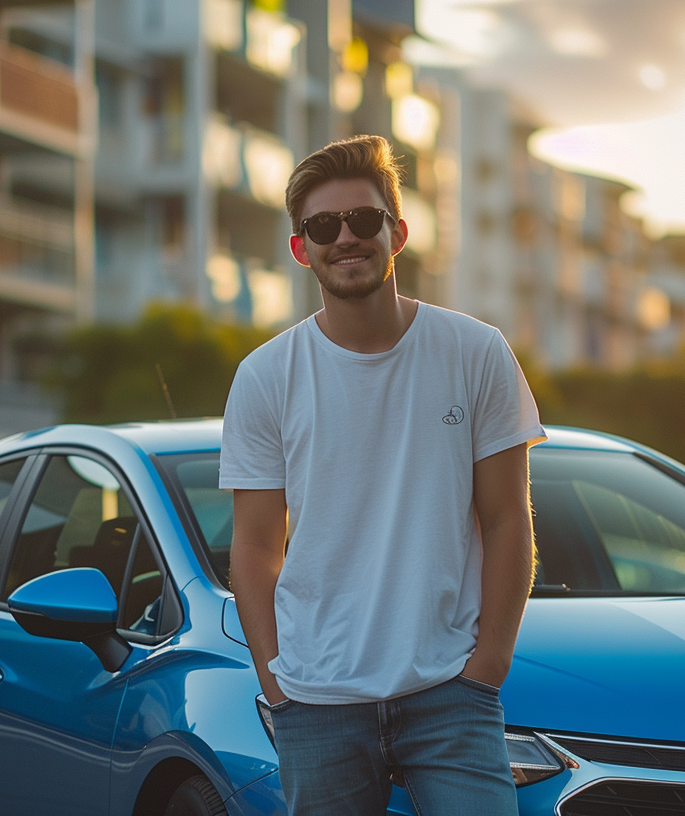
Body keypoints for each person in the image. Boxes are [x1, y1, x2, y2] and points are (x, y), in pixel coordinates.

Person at [220, 134, 545, 816]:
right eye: (323, 226)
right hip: (317, 702)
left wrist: (487, 668)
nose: (347, 237)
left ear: (397, 232)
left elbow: (508, 518)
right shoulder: (265, 378)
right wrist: (277, 685)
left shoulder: (476, 354)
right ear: (300, 247)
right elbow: (253, 548)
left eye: (364, 220)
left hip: (450, 696)